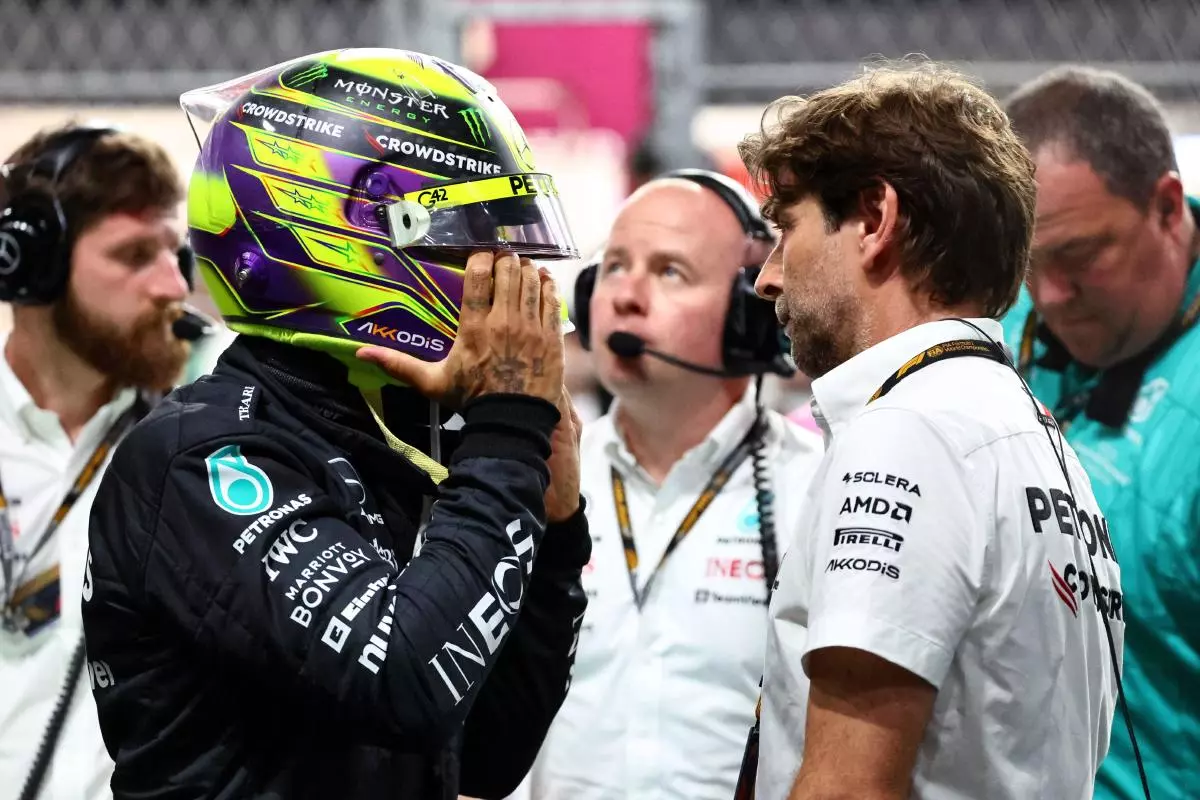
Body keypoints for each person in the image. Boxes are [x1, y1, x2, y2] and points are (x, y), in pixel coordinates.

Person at [80, 48, 591, 800]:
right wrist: (505, 430)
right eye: (466, 232)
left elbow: (485, 751)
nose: (500, 271)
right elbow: (404, 683)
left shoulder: (386, 438)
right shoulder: (204, 455)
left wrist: (553, 538)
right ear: (340, 227)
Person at [741, 62, 1125, 800]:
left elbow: (848, 788)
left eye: (787, 230)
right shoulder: (1030, 433)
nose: (769, 277)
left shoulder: (910, 431)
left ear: (876, 221)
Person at [515, 169, 822, 800]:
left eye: (669, 272)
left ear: (750, 316)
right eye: (616, 266)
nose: (625, 295)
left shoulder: (819, 487)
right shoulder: (528, 480)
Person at [1002, 66, 1200, 800]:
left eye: (1080, 257)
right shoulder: (995, 325)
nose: (1049, 297)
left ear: (1167, 207)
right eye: (1030, 263)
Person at [0, 122, 192, 800]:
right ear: (31, 267)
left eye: (176, 252)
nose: (173, 285)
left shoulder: (206, 437)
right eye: (135, 254)